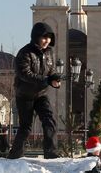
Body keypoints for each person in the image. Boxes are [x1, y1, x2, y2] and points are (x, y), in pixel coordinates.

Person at [8, 22, 61, 160]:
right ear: (36, 37)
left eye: (49, 38)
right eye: (44, 37)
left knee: (49, 120)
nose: (47, 41)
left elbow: (52, 70)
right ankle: (15, 156)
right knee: (26, 127)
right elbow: (25, 74)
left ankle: (51, 154)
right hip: (24, 95)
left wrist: (55, 78)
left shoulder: (49, 52)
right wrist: (46, 80)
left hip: (41, 94)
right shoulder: (25, 52)